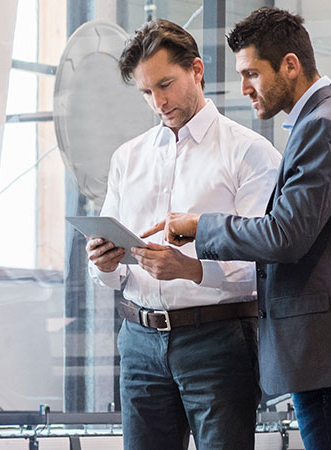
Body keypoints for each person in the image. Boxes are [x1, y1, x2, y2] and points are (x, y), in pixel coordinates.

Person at [136, 8, 331, 450]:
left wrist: (200, 226)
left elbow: (284, 236)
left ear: (290, 65)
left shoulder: (321, 127)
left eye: (252, 73)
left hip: (330, 353)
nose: (244, 87)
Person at [86, 19, 281, 450]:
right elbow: (109, 268)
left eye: (165, 84)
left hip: (217, 342)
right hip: (137, 342)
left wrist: (192, 270)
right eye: (145, 92)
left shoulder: (249, 153)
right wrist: (103, 264)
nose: (157, 102)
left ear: (197, 70)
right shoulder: (127, 157)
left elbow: (267, 264)